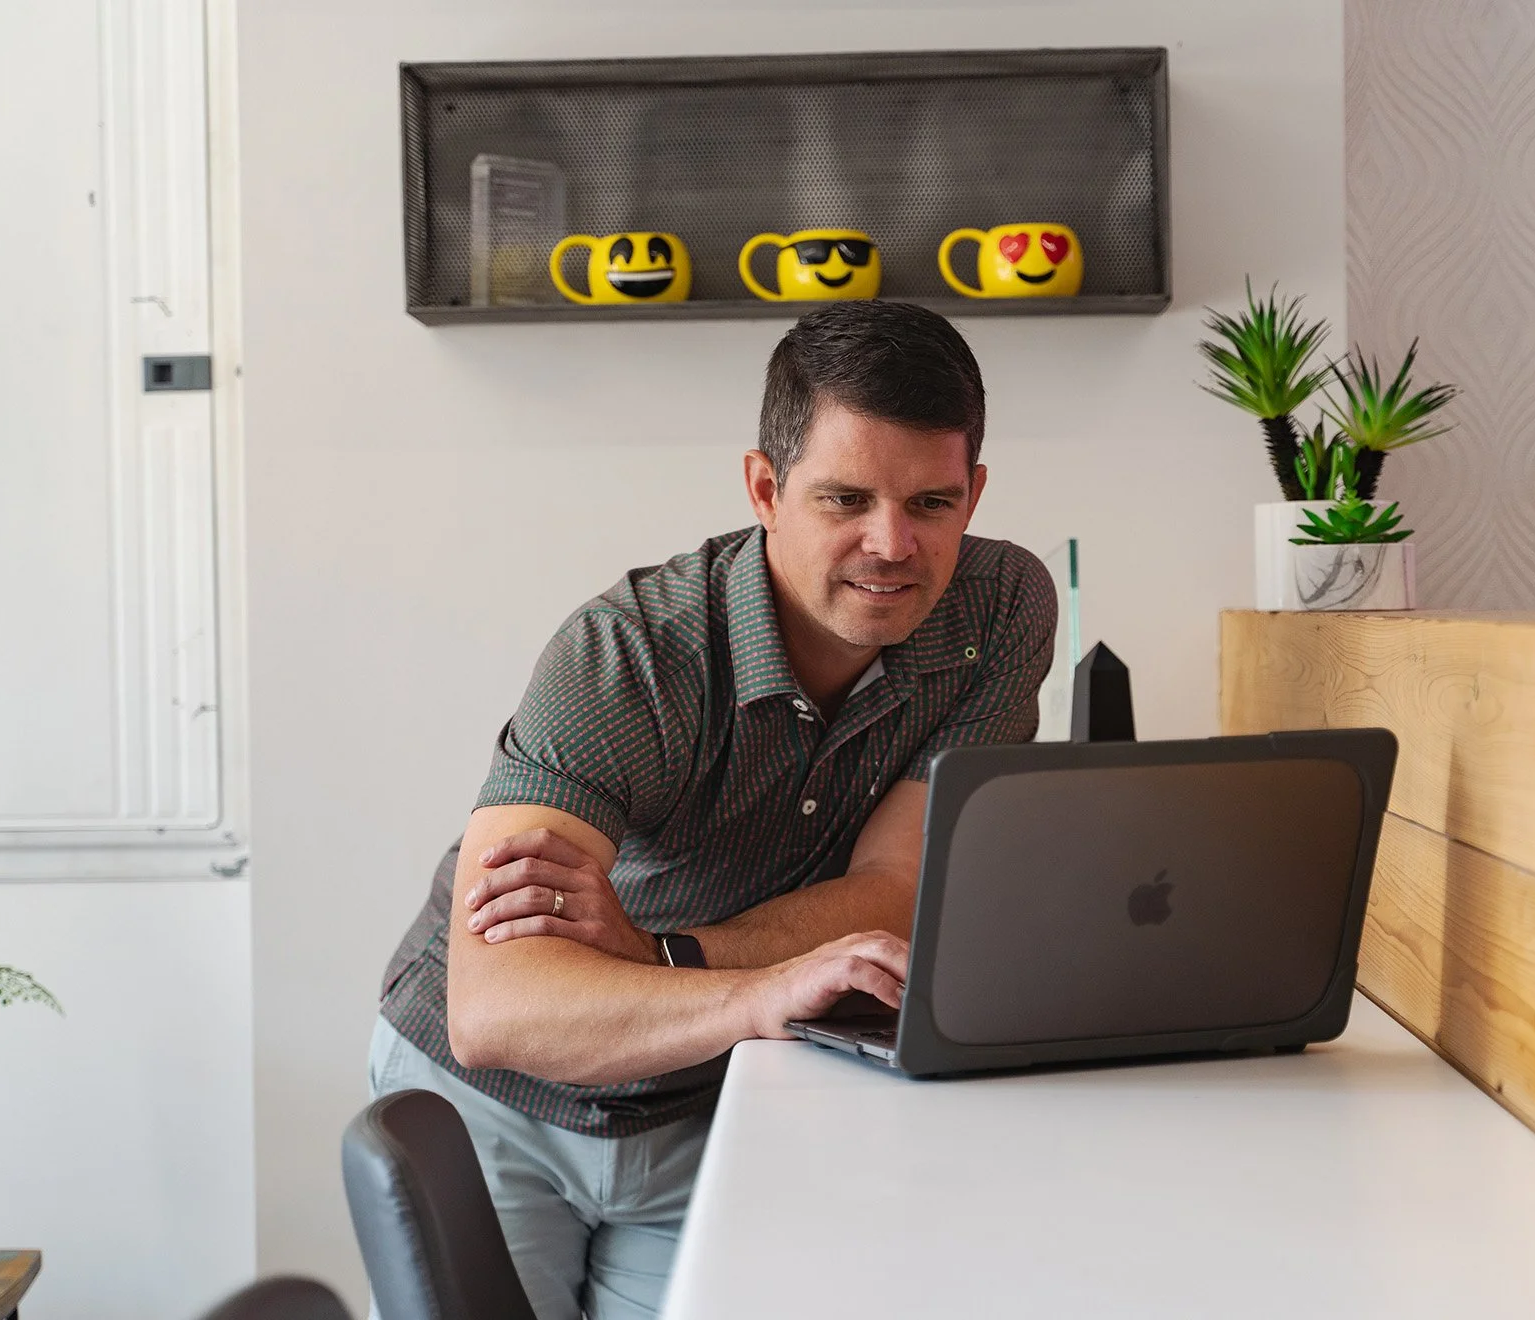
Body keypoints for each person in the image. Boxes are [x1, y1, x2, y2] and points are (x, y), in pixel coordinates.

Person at [368, 301, 1056, 1320]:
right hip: (496, 1109)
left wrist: (658, 959)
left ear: (976, 494)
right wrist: (760, 991)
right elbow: (497, 1007)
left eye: (932, 503)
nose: (892, 543)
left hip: (712, 1107)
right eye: (846, 498)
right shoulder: (631, 657)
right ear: (766, 488)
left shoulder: (998, 610)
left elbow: (899, 890)